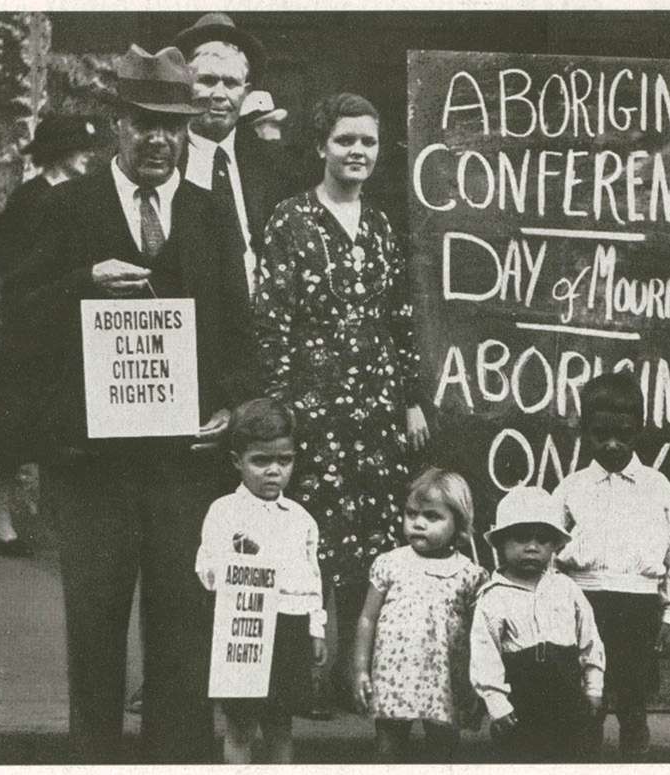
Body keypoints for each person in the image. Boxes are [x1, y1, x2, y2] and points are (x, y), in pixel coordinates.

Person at [11, 44, 257, 763]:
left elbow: (241, 334)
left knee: (183, 636)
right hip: (94, 467)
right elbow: (17, 315)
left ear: (189, 131)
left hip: (187, 466)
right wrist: (83, 280)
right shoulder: (66, 209)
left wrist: (233, 410)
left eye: (173, 126)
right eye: (144, 122)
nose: (158, 140)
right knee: (94, 630)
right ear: (117, 123)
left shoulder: (211, 214)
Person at [254, 92, 430, 707]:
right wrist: (279, 411)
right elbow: (272, 319)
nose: (357, 152)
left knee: (368, 540)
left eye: (368, 142)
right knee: (311, 541)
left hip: (377, 405)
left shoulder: (381, 226)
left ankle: (350, 676)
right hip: (314, 406)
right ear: (321, 146)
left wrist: (410, 398)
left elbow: (399, 318)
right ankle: (302, 680)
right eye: (345, 140)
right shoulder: (291, 219)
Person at [553, 371, 670, 761]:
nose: (612, 444)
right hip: (584, 605)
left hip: (637, 608)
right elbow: (547, 550)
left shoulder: (658, 488)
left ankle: (635, 754)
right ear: (583, 431)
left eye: (624, 435)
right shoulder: (571, 488)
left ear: (639, 430)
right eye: (600, 434)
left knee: (632, 695)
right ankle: (585, 757)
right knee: (586, 696)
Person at [0, 114, 101, 556]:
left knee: (66, 426)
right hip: (33, 326)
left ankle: (65, 521)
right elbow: (11, 262)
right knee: (14, 423)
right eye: (80, 148)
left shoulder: (84, 196)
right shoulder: (31, 199)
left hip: (72, 324)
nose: (89, 155)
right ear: (59, 152)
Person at [195, 398, 327, 763]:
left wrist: (316, 628)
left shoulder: (301, 519)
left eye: (284, 461)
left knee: (280, 725)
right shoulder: (223, 512)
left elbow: (311, 578)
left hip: (288, 628)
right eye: (260, 461)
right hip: (243, 629)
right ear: (238, 461)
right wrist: (239, 566)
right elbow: (206, 570)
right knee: (239, 726)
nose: (273, 471)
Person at [351, 467, 487, 762]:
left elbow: (480, 635)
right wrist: (360, 669)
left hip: (445, 679)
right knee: (388, 748)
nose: (418, 523)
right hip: (393, 676)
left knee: (443, 749)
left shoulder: (470, 575)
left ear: (458, 523)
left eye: (432, 517)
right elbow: (367, 619)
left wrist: (476, 687)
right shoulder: (389, 564)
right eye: (412, 514)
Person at [471, 486, 605, 763]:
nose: (532, 547)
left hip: (566, 696)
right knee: (521, 756)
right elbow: (485, 655)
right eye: (521, 539)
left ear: (556, 545)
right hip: (520, 698)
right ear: (500, 544)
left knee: (570, 755)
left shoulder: (566, 588)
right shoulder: (493, 596)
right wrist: (497, 705)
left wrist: (593, 687)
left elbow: (590, 640)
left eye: (543, 540)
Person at [173, 12, 295, 299]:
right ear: (184, 86)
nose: (219, 94)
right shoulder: (165, 159)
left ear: (246, 91)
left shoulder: (269, 164)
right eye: (207, 81)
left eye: (230, 83)